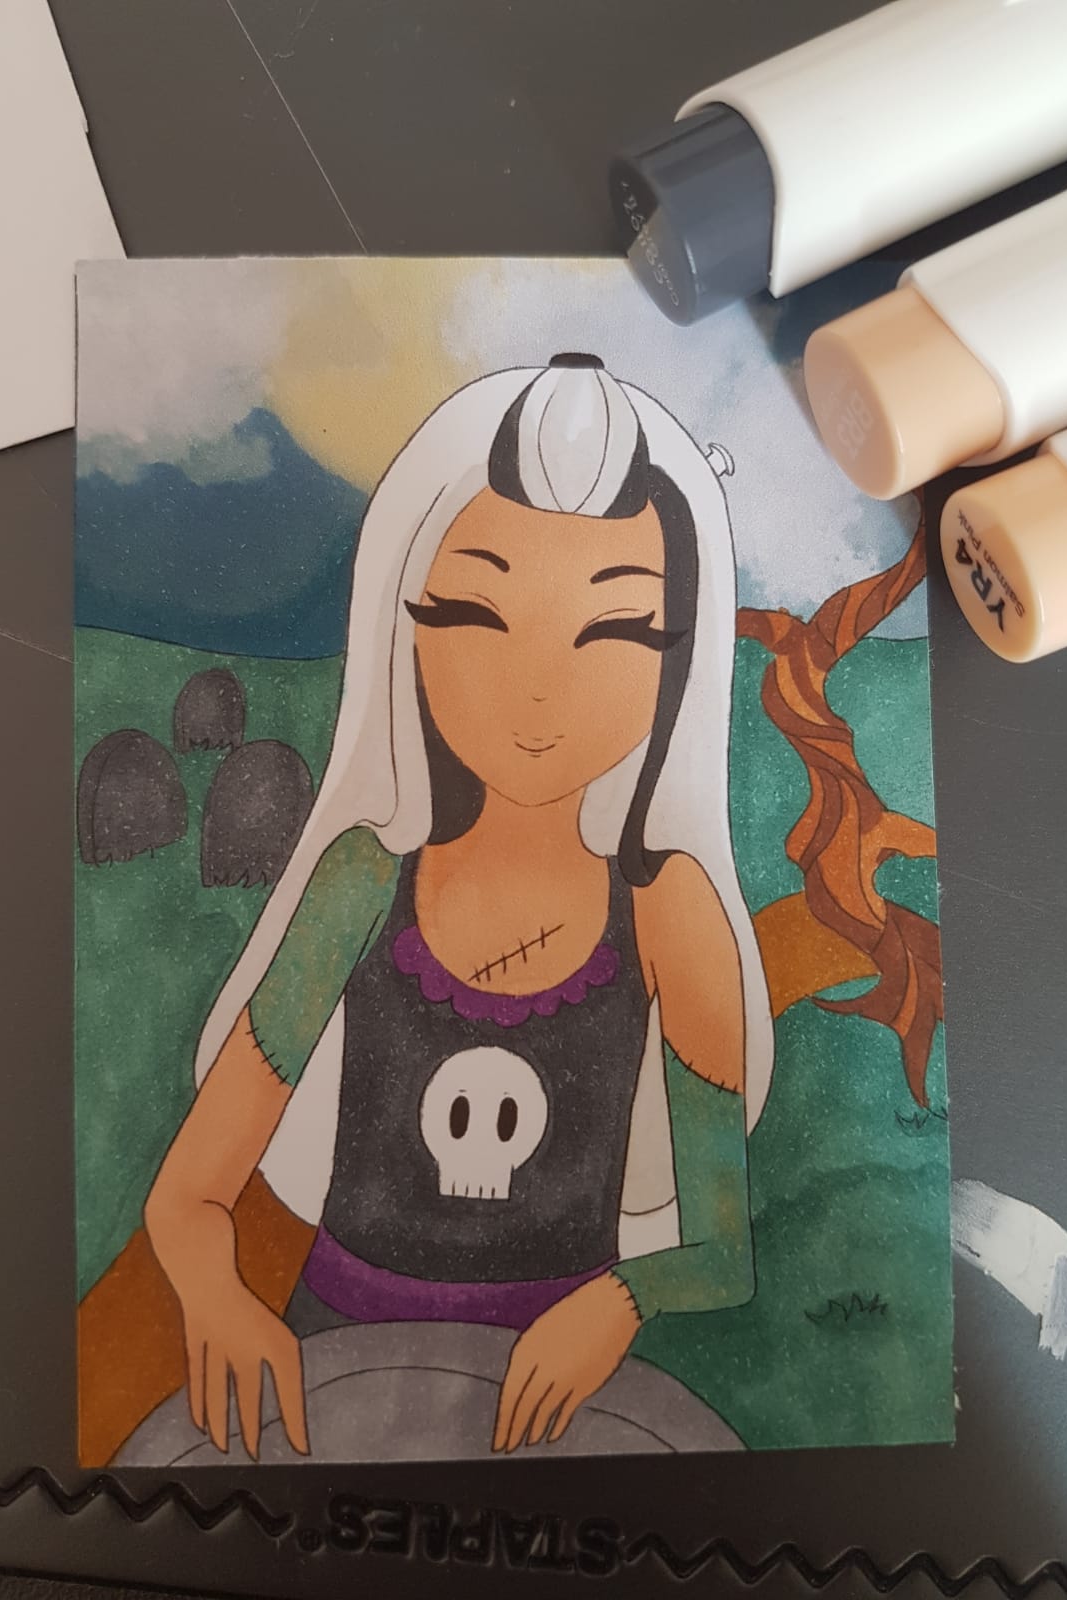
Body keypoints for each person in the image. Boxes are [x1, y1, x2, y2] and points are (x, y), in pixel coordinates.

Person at [144, 355, 774, 1460]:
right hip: (337, 1377)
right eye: (482, 613)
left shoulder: (671, 910)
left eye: (614, 632)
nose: (540, 685)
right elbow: (188, 1196)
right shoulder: (358, 882)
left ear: (677, 664)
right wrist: (216, 1294)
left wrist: (621, 1299)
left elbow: (722, 1252)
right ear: (412, 624)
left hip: (566, 1405)